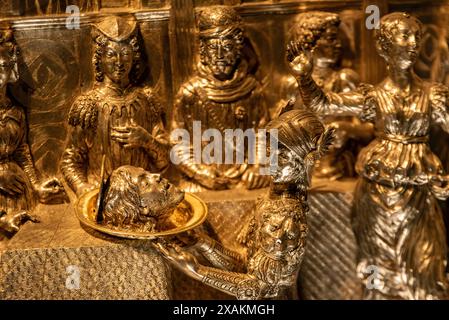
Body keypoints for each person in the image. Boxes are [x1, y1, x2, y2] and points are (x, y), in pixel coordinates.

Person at [288, 12, 449, 299]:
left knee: (427, 264)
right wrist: (303, 75)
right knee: (378, 264)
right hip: (376, 195)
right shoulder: (373, 97)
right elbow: (322, 105)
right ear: (384, 47)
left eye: (416, 36)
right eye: (404, 36)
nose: (412, 43)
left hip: (418, 198)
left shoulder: (433, 94)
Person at [156, 109, 333, 300]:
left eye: (282, 157)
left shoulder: (285, 217)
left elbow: (259, 288)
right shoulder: (272, 200)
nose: (271, 162)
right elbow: (245, 265)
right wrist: (200, 242)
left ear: (305, 162)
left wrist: (197, 271)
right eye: (269, 151)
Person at [61, 15, 169, 197]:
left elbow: (164, 162)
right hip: (102, 197)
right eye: (111, 54)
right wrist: (82, 188)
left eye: (125, 54)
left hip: (144, 198)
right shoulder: (88, 105)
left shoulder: (147, 100)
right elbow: (70, 160)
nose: (119, 62)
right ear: (99, 58)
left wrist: (147, 141)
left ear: (134, 58)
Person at [171, 5, 270, 192]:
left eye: (226, 47)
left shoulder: (251, 89)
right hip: (202, 182)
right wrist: (200, 174)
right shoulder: (190, 93)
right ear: (203, 52)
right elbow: (178, 144)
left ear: (238, 48)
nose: (219, 56)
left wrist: (259, 168)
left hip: (246, 181)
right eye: (212, 47)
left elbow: (263, 134)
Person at [0, 23, 65, 235]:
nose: (4, 63)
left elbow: (21, 152)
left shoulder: (15, 111)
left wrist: (36, 187)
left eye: (6, 59)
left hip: (20, 194)